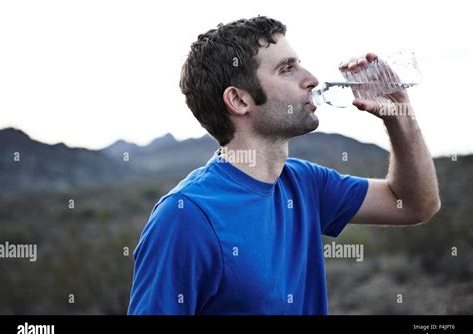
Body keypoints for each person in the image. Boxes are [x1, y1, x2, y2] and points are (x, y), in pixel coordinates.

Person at [128, 16, 440, 315]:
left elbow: (414, 205)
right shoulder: (185, 218)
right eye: (287, 68)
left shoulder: (305, 183)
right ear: (239, 100)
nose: (312, 79)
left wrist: (401, 117)